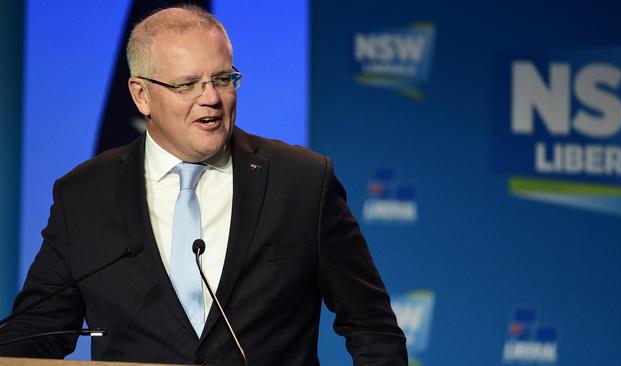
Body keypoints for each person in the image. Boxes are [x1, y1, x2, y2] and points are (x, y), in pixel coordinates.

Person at [0, 5, 407, 365]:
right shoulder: (84, 196)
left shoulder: (301, 181)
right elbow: (34, 334)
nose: (210, 97)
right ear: (141, 95)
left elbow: (372, 326)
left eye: (223, 79)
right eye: (187, 84)